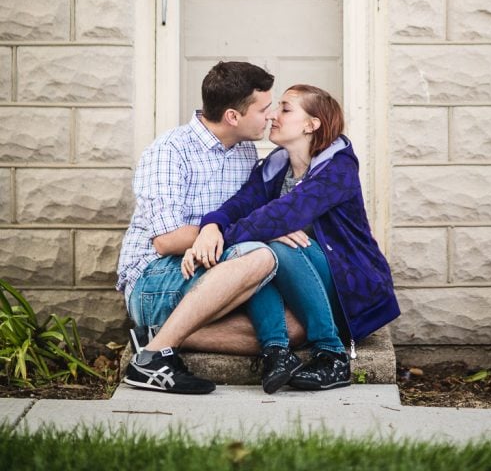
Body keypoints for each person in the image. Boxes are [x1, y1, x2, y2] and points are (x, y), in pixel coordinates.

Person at [183, 85, 400, 393]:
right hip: (298, 282)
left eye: (285, 109)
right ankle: (276, 352)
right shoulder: (276, 165)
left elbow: (282, 217)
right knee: (258, 249)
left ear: (312, 125)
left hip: (348, 284)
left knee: (270, 245)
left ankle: (332, 354)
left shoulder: (338, 168)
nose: (273, 115)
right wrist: (211, 228)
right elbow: (240, 205)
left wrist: (226, 239)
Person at [116, 60, 302, 394]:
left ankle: (157, 335)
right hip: (155, 277)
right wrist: (219, 231)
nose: (271, 116)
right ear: (233, 116)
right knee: (261, 256)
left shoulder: (245, 151)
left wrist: (219, 231)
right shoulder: (169, 151)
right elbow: (167, 240)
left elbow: (240, 221)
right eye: (264, 109)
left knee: (297, 328)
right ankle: (154, 358)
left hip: (216, 270)